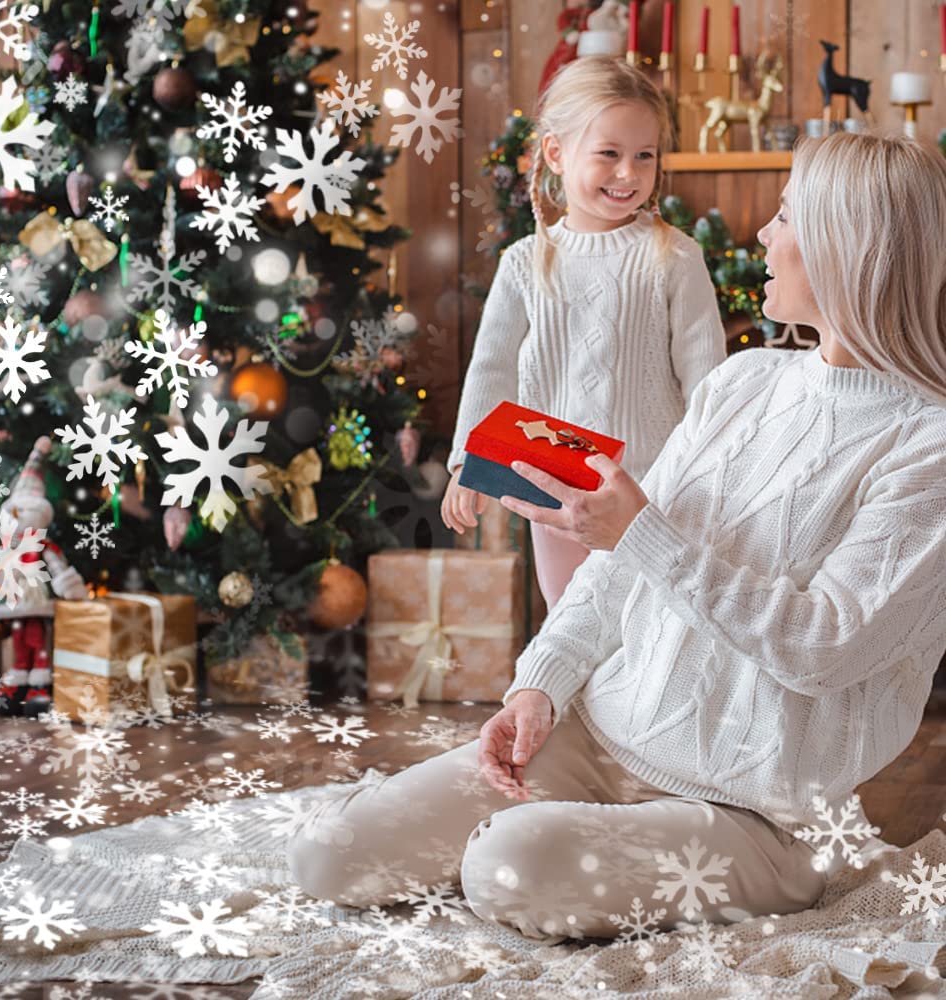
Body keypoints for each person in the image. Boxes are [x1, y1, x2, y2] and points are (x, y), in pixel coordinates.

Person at [289, 132, 946, 943]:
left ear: (853, 249)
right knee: (330, 855)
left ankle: (574, 855)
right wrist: (543, 685)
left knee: (509, 870)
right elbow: (617, 569)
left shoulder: (929, 447)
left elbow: (826, 648)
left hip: (756, 814)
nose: (763, 238)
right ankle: (561, 839)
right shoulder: (745, 383)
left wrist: (642, 533)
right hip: (600, 740)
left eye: (785, 218)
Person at [440, 55, 726, 610]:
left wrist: (710, 473)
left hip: (650, 494)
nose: (629, 173)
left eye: (645, 156)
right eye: (609, 155)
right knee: (568, 619)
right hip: (551, 490)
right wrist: (467, 463)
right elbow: (491, 368)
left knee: (643, 628)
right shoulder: (526, 263)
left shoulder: (673, 258)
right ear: (556, 152)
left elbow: (706, 376)